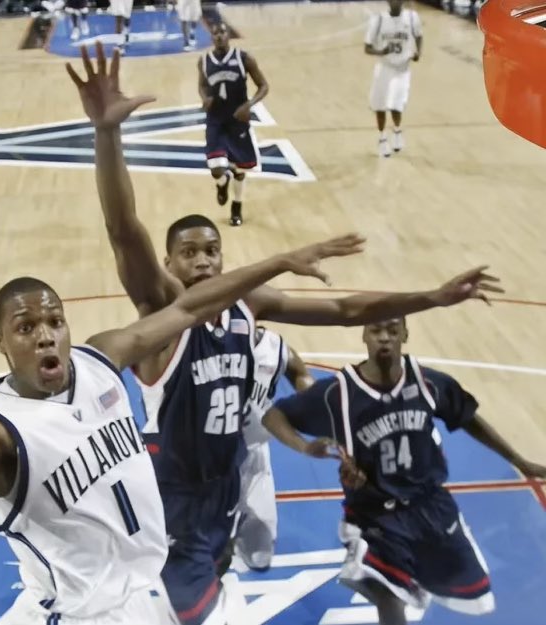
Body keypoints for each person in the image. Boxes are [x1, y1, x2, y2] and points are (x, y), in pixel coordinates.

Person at [67, 41, 504, 625]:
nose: (202, 259)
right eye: (187, 252)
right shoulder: (162, 306)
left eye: (211, 249)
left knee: (216, 578)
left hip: (227, 479)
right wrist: (107, 136)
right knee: (187, 612)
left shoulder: (248, 303)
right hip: (175, 488)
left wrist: (433, 297)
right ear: (170, 266)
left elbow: (348, 309)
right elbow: (123, 228)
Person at [0, 236, 369, 625]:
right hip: (77, 614)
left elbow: (194, 305)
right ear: (0, 343)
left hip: (145, 594)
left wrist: (279, 262)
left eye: (54, 321)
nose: (46, 336)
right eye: (26, 327)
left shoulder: (102, 359)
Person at [263, 317, 546, 625]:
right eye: (376, 329)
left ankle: (407, 580)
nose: (384, 337)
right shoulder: (339, 393)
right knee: (385, 591)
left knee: (469, 597)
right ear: (364, 335)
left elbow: (469, 419)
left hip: (431, 506)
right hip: (374, 514)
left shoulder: (429, 383)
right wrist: (305, 447)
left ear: (405, 335)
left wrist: (519, 459)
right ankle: (379, 579)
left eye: (393, 330)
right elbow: (274, 416)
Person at [232, 326, 314, 572]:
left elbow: (300, 373)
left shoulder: (275, 348)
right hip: (209, 454)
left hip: (253, 452)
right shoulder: (204, 340)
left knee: (260, 556)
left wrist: (310, 399)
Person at [198, 22, 268, 226]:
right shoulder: (204, 61)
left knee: (240, 170)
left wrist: (249, 104)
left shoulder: (244, 58)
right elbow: (202, 85)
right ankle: (222, 183)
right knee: (216, 168)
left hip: (238, 120)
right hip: (216, 120)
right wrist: (205, 98)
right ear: (211, 37)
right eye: (215, 33)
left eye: (222, 32)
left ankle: (237, 206)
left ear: (229, 35)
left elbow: (263, 86)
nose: (219, 36)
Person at [364, 0, 423, 157]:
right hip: (384, 68)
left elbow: (419, 36)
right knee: (380, 106)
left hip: (402, 69)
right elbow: (367, 48)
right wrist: (381, 52)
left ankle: (397, 131)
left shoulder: (412, 18)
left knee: (397, 104)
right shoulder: (379, 20)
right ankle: (382, 138)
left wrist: (418, 52)